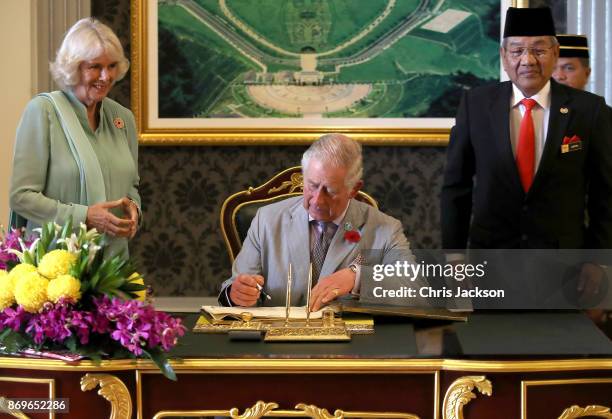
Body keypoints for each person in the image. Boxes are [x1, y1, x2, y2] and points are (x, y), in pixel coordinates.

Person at [441, 7, 612, 251]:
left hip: (564, 263)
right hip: (491, 258)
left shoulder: (589, 109)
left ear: (555, 53)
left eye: (539, 50)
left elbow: (605, 194)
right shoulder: (476, 105)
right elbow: (456, 187)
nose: (528, 60)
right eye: (517, 51)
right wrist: (454, 256)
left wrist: (599, 260)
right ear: (503, 55)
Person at [219, 133, 422, 311]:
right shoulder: (267, 219)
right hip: (277, 345)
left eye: (330, 191)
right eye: (312, 186)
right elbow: (234, 287)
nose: (317, 200)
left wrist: (357, 278)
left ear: (354, 189)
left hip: (351, 349)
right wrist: (237, 294)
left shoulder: (384, 228)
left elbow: (415, 291)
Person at [9, 18, 141, 257]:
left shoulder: (123, 119)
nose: (106, 76)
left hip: (113, 267)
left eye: (112, 66)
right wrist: (85, 216)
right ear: (73, 67)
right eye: (95, 67)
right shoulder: (43, 112)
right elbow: (22, 198)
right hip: (55, 269)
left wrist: (133, 209)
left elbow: (131, 186)